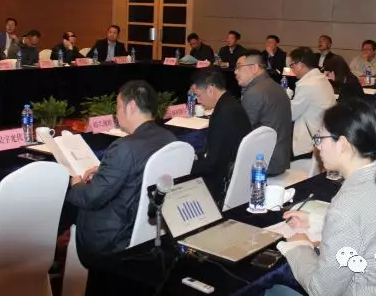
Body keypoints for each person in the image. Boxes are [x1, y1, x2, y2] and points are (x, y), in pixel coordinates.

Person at [266, 100, 376, 296]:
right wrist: (317, 222)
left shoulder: (348, 203)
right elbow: (367, 226)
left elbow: (321, 290)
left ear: (343, 144)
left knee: (272, 290)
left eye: (320, 138)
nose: (318, 147)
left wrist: (299, 245)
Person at [66, 80, 176, 268]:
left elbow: (92, 197)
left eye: (117, 107)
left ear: (131, 107)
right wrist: (105, 169)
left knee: (73, 202)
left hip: (115, 237)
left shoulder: (125, 147)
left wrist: (75, 185)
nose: (116, 114)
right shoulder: (168, 137)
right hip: (152, 228)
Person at [190, 68, 251, 202]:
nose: (198, 101)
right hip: (237, 172)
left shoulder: (222, 114)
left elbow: (213, 163)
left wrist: (187, 166)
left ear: (210, 90)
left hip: (223, 181)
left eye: (198, 95)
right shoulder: (232, 104)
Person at [235, 50, 292, 175]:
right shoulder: (274, 86)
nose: (235, 72)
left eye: (239, 67)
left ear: (254, 68)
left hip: (263, 163)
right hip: (279, 158)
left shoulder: (255, 92)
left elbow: (241, 131)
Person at [288, 47, 336, 156]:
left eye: (292, 65)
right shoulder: (321, 79)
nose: (292, 69)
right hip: (323, 133)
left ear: (300, 65)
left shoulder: (307, 84)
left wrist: (285, 98)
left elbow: (291, 114)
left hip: (310, 140)